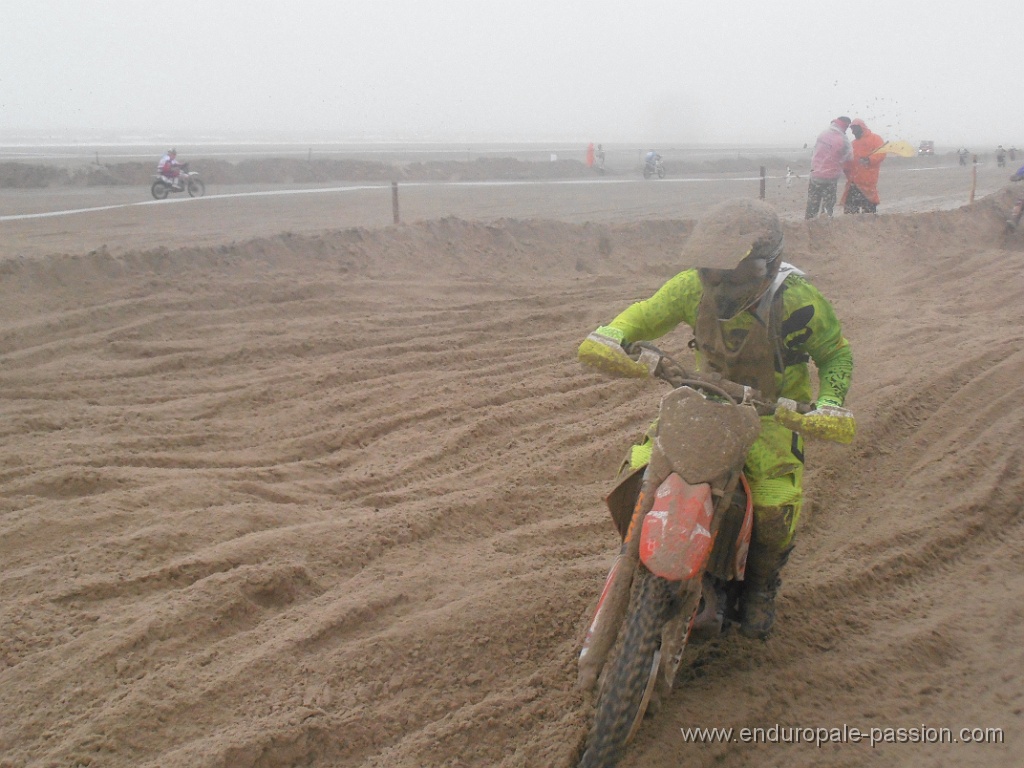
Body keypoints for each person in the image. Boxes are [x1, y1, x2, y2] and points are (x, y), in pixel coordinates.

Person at [577, 198, 854, 639]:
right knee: (639, 473)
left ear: (769, 266)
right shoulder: (690, 288)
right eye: (713, 275)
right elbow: (647, 313)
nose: (723, 288)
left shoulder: (798, 302)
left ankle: (760, 585)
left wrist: (829, 403)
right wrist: (613, 334)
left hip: (773, 416)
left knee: (772, 509)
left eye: (740, 277)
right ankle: (643, 554)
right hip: (704, 401)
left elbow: (835, 354)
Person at [805, 117, 853, 218]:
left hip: (815, 175)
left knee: (812, 205)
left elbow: (814, 151)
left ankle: (808, 227)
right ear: (845, 125)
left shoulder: (823, 134)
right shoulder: (842, 139)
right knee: (827, 206)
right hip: (830, 178)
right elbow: (849, 156)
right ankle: (825, 227)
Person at [842, 118, 886, 214]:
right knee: (850, 211)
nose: (853, 132)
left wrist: (869, 160)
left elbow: (881, 153)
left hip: (868, 182)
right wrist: (844, 168)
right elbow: (848, 160)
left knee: (869, 211)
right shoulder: (853, 144)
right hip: (853, 183)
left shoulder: (875, 139)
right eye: (851, 129)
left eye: (854, 129)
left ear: (861, 128)